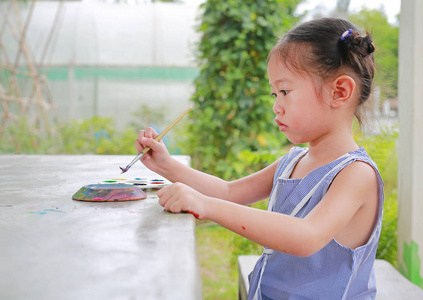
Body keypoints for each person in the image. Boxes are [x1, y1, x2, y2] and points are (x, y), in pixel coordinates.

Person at [135, 17, 383, 300]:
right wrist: (166, 165)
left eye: (285, 92)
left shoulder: (356, 174)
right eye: (274, 93)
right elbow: (229, 192)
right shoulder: (292, 161)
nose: (276, 106)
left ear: (339, 92)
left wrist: (204, 205)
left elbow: (306, 237)